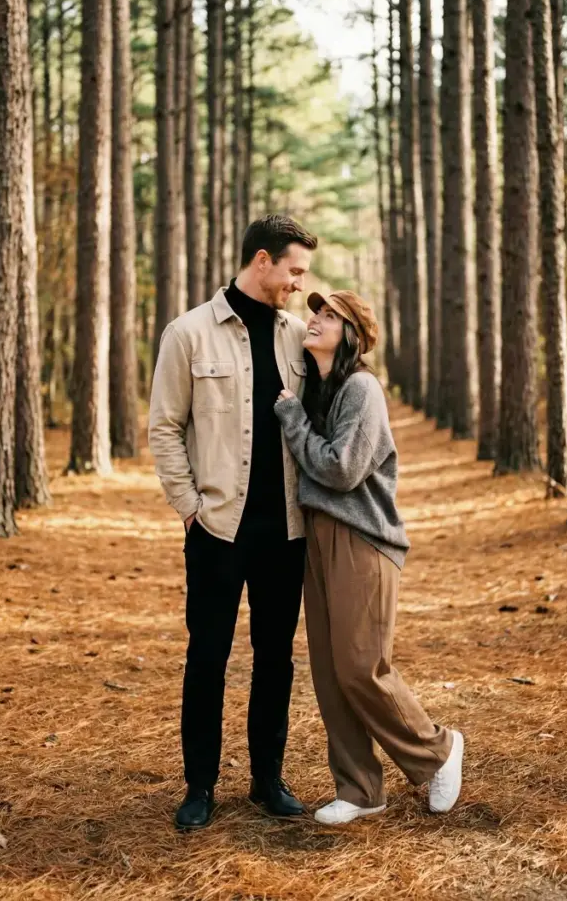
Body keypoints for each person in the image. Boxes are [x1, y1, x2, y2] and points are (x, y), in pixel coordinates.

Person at [148, 214, 318, 830]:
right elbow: (165, 426)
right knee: (208, 658)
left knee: (276, 657)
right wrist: (189, 508)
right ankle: (199, 787)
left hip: (289, 533)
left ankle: (267, 782)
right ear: (263, 260)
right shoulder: (188, 333)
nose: (300, 284)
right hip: (217, 529)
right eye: (294, 270)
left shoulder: (301, 336)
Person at [274, 290, 464, 826]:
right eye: (314, 312)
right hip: (318, 536)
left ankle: (437, 751)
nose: (314, 320)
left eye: (328, 315)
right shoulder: (320, 391)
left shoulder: (361, 388)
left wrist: (291, 417)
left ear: (351, 332)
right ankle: (359, 788)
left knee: (362, 665)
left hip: (363, 539)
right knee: (331, 674)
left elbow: (340, 470)